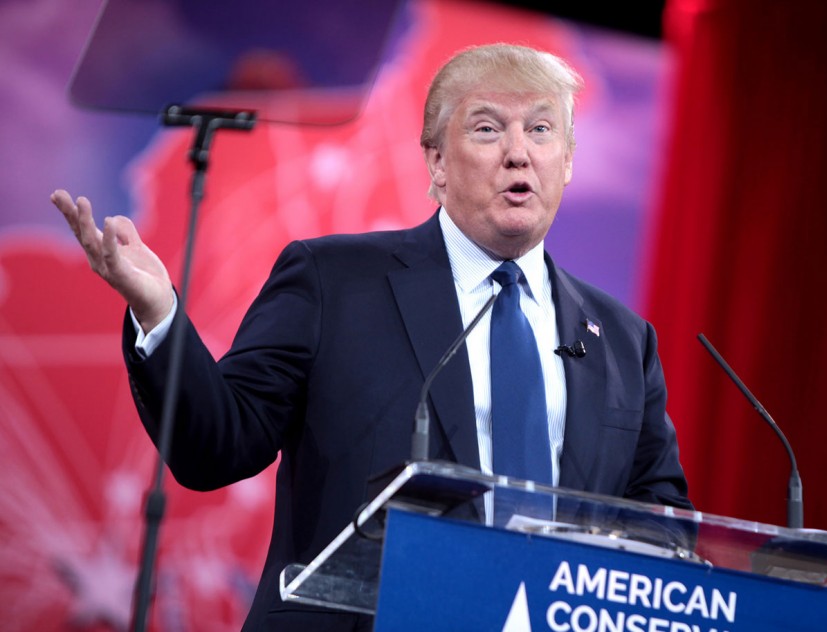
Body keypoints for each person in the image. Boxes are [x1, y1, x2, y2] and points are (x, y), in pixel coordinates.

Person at [51, 43, 692, 631]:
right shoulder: (334, 280)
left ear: (569, 161)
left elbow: (660, 524)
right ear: (437, 163)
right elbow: (219, 445)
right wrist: (160, 313)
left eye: (542, 130)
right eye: (488, 128)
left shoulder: (620, 339)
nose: (518, 153)